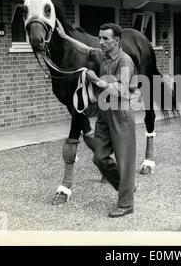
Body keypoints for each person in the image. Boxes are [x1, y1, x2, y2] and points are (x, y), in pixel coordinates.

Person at [56, 20, 137, 217]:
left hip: (120, 114)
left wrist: (96, 81)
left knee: (124, 161)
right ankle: (126, 187)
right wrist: (65, 36)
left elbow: (124, 91)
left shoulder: (124, 61)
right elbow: (86, 49)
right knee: (99, 157)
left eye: (105, 39)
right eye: (100, 38)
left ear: (116, 41)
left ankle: (126, 203)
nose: (100, 42)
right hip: (104, 114)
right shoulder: (103, 55)